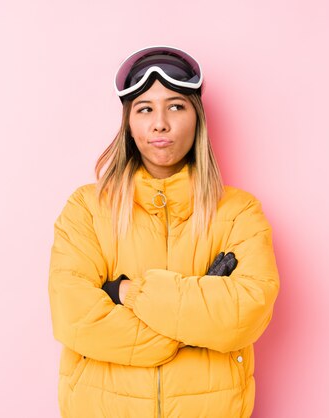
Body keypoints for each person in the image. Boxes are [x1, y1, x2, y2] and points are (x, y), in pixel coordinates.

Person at [48, 45, 279, 418]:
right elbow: (75, 316)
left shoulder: (239, 213)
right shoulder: (86, 209)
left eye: (175, 106)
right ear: (129, 122)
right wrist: (193, 323)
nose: (160, 123)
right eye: (144, 109)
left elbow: (245, 314)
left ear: (197, 118)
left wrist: (125, 291)